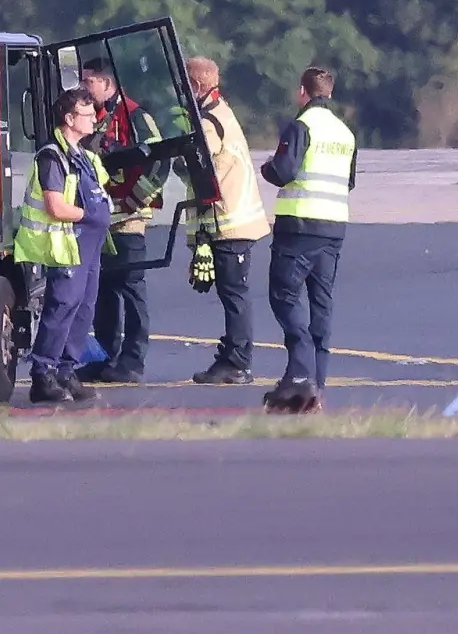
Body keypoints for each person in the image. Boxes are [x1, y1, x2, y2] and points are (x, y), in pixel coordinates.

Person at [259, 66, 356, 414]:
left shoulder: (302, 126)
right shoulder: (345, 133)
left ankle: (300, 371)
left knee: (284, 295)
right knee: (321, 304)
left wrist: (267, 167)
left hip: (299, 226)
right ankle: (318, 381)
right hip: (333, 228)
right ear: (329, 92)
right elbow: (348, 182)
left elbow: (283, 171)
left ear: (303, 91)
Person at [12, 86, 113, 404]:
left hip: (91, 246)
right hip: (68, 243)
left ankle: (67, 371)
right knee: (62, 307)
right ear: (69, 118)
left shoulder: (86, 157)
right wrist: (89, 215)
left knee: (84, 309)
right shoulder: (53, 157)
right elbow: (55, 206)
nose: (95, 119)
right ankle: (43, 374)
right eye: (87, 113)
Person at [181, 57, 271, 386]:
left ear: (196, 86)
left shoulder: (209, 121)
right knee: (233, 293)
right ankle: (235, 355)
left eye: (185, 83)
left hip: (230, 224)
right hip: (233, 222)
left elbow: (198, 165)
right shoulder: (220, 112)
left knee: (234, 294)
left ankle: (237, 360)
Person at [77, 57, 167, 384]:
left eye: (89, 82)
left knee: (131, 291)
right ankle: (104, 357)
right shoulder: (95, 119)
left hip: (128, 222)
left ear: (106, 83)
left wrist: (134, 199)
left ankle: (132, 360)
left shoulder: (137, 117)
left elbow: (160, 163)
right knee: (102, 293)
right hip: (101, 222)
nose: (84, 88)